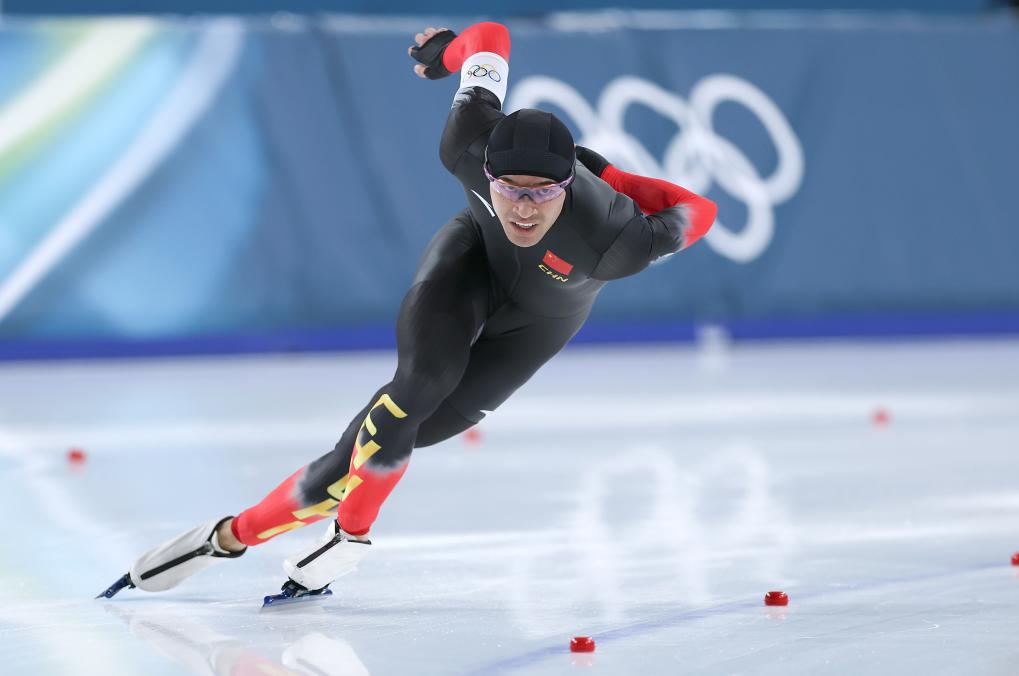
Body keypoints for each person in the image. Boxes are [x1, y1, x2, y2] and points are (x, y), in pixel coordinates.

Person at [98, 21, 717, 601]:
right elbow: (490, 36)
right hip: (471, 262)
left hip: (536, 326)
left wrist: (610, 178)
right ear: (486, 172)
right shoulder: (466, 140)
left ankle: (230, 536)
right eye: (508, 190)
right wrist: (446, 54)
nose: (524, 210)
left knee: (365, 457)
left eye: (543, 194)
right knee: (414, 390)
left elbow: (701, 210)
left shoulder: (617, 240)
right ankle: (342, 537)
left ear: (567, 189)